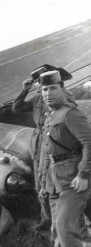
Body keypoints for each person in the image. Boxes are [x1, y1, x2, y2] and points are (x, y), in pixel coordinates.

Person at [12, 64, 76, 231]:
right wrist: (24, 90)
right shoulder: (37, 99)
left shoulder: (63, 96)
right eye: (41, 84)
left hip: (55, 140)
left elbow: (70, 109)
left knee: (57, 181)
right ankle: (46, 219)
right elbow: (16, 108)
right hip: (38, 142)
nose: (44, 88)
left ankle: (64, 219)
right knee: (40, 182)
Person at [39, 70, 91, 247]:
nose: (48, 93)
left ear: (62, 88)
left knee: (64, 227)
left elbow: (89, 143)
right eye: (44, 89)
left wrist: (84, 174)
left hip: (74, 179)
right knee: (57, 232)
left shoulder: (70, 113)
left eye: (53, 88)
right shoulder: (51, 115)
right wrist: (45, 184)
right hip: (56, 181)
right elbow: (49, 153)